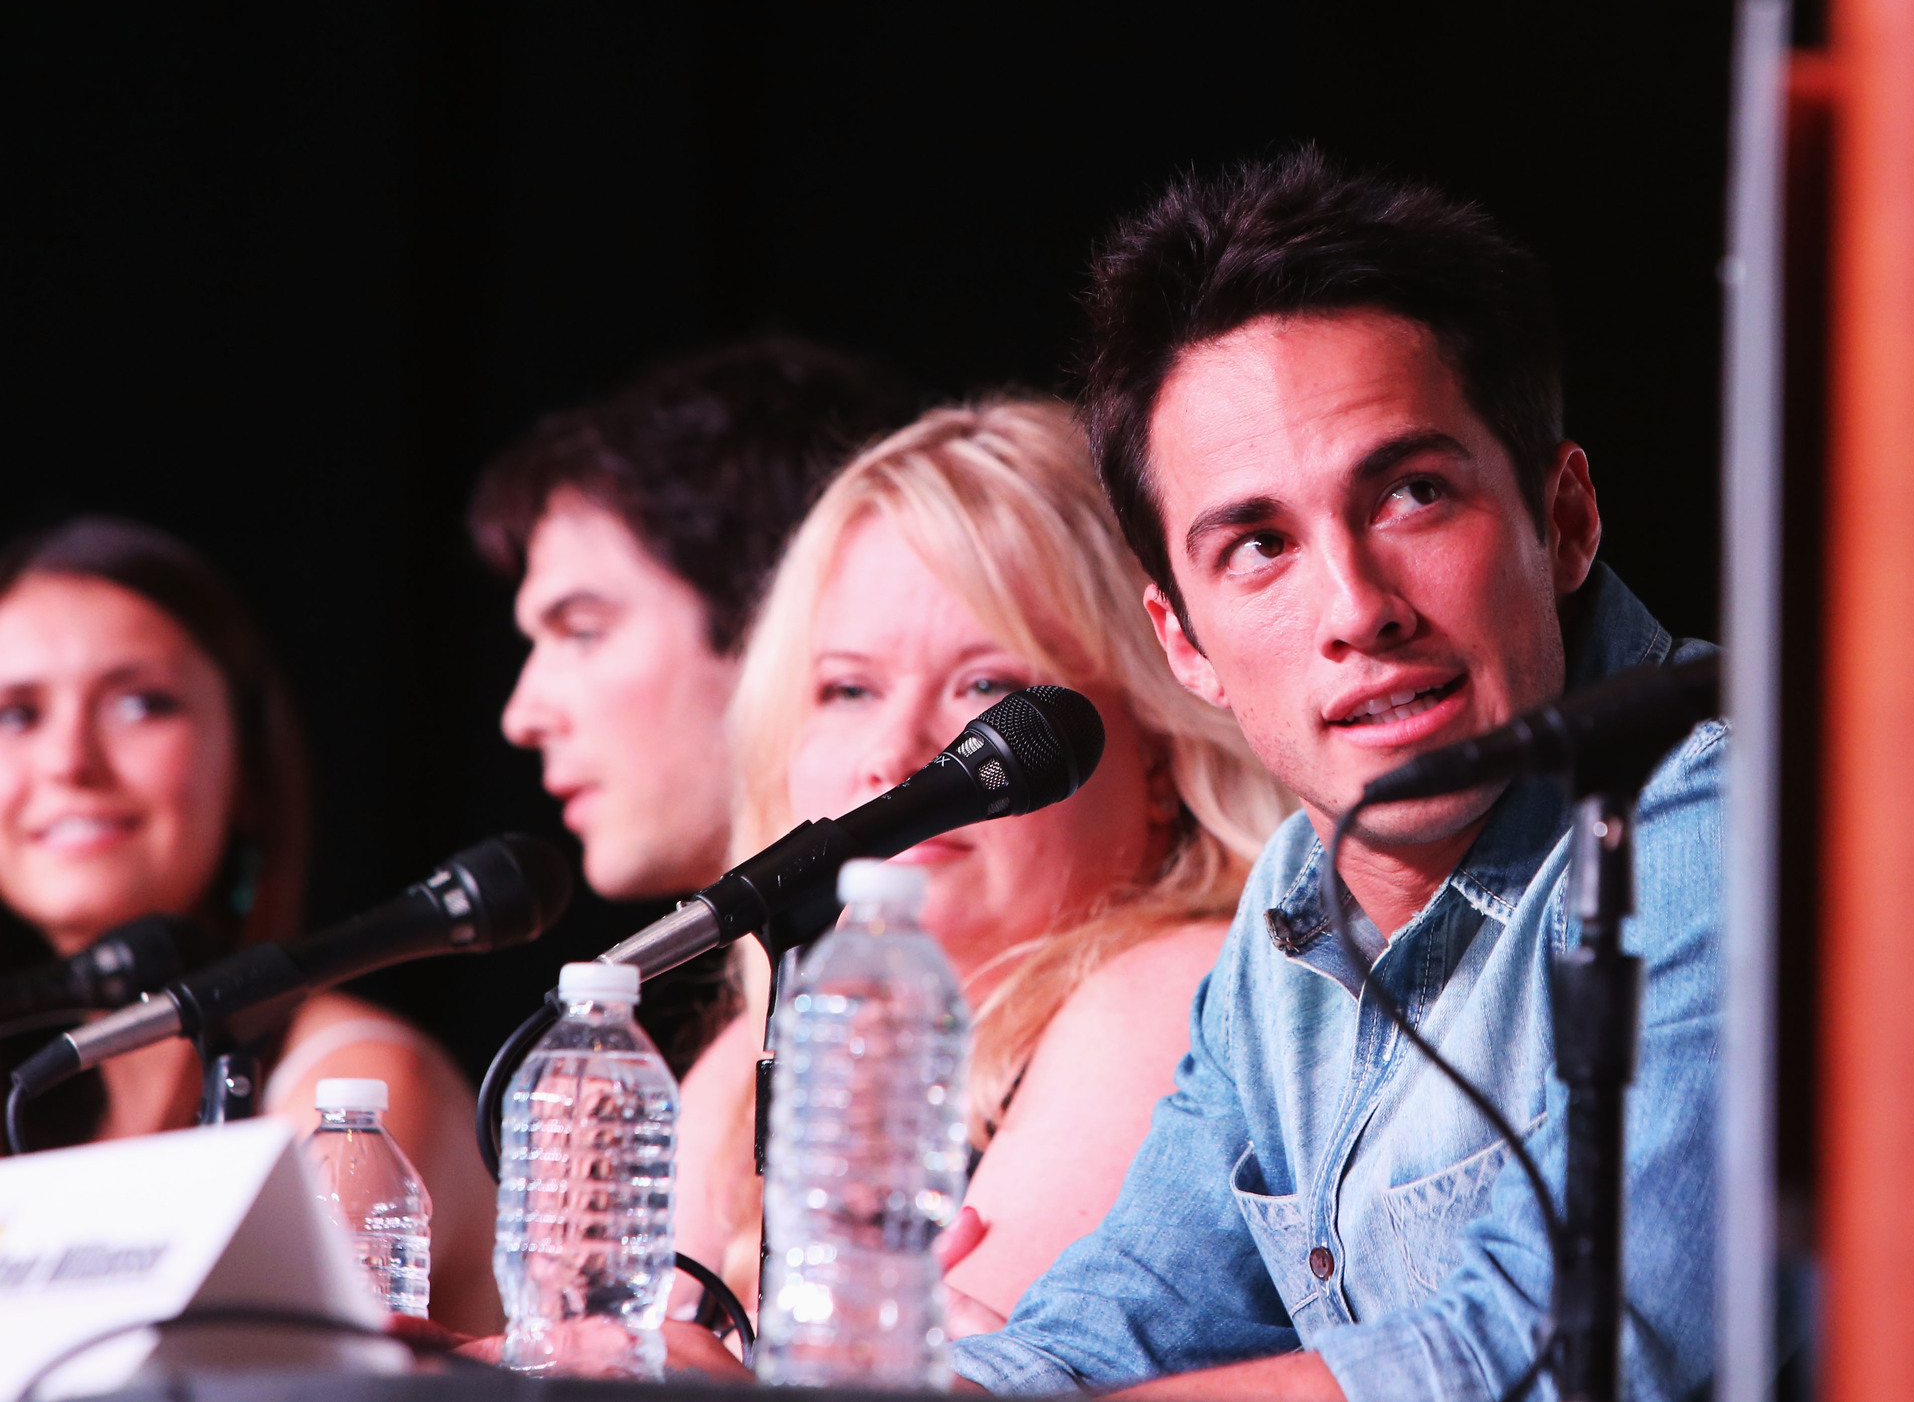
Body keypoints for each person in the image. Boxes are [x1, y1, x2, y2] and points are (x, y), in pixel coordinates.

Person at [941, 150, 1725, 1399]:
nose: (1356, 608)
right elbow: (1115, 1328)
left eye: (1412, 493)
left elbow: (1567, 1352)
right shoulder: (1292, 914)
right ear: (1181, 640)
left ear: (1563, 519)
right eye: (1258, 546)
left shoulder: (1720, 828)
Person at [695, 399, 1296, 1322]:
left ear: (1159, 751)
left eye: (987, 687)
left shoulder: (1177, 987)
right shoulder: (765, 1047)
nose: (895, 753)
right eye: (848, 688)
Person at [469, 336, 917, 1265]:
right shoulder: (739, 1051)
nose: (522, 713)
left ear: (775, 623)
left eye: (582, 629)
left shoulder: (951, 1016)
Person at [0, 516, 502, 1333]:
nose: (68, 761)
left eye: (139, 703)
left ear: (251, 772)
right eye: (17, 714)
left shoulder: (354, 1087)